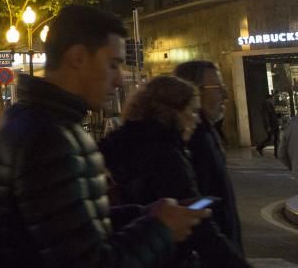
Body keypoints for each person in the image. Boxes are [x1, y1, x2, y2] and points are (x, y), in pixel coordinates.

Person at [0, 5, 208, 268]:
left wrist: (143, 215)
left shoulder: (31, 119)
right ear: (78, 57)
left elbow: (65, 229)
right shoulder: (51, 139)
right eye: (113, 64)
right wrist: (161, 228)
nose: (118, 80)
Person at [101, 75, 250, 268]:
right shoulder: (165, 152)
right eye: (193, 111)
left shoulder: (118, 141)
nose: (196, 120)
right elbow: (198, 226)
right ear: (174, 111)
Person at [173, 60, 243, 254]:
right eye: (217, 87)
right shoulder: (194, 139)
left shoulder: (205, 132)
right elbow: (198, 204)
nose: (226, 95)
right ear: (194, 91)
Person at [256, 92, 279, 157]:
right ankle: (275, 153)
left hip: (273, 124)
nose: (273, 100)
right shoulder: (266, 105)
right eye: (272, 99)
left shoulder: (270, 105)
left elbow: (272, 115)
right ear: (269, 99)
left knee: (273, 139)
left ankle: (275, 153)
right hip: (271, 125)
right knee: (272, 139)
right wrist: (268, 126)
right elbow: (265, 116)